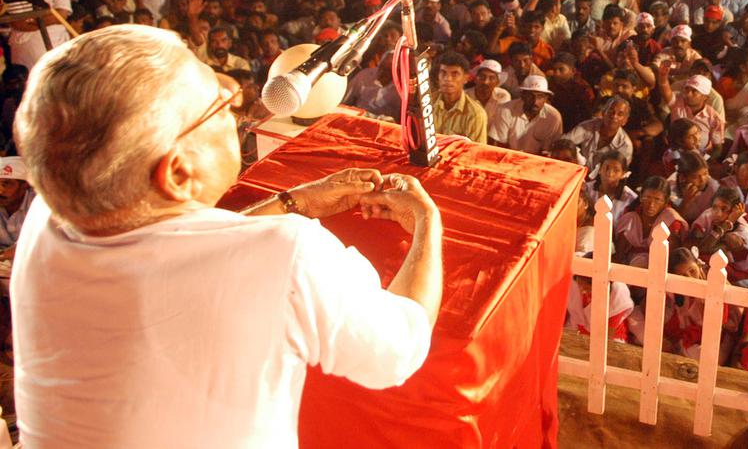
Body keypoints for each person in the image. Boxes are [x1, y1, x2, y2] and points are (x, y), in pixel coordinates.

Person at [11, 25, 443, 446]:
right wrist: (428, 223)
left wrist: (295, 201)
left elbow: (191, 253)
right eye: (215, 105)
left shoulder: (48, 220)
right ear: (179, 173)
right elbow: (396, 352)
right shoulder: (289, 254)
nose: (233, 92)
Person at [490, 74, 563, 154]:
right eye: (530, 96)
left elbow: (549, 151)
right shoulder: (505, 110)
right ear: (523, 95)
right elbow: (498, 144)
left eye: (540, 97)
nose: (535, 101)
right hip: (508, 157)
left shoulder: (553, 117)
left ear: (546, 98)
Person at [432, 50, 488, 144]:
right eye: (443, 73)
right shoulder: (425, 103)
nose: (447, 79)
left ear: (466, 78)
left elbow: (476, 153)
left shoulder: (475, 114)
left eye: (455, 74)